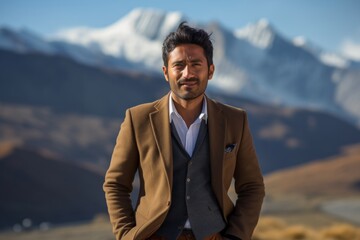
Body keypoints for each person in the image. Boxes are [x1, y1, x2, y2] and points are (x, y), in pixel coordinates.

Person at [103, 22, 265, 240]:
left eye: (196, 64)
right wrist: (126, 236)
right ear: (165, 72)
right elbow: (115, 184)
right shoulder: (137, 119)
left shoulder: (236, 120)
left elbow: (252, 186)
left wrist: (236, 236)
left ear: (211, 70)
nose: (187, 73)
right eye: (178, 65)